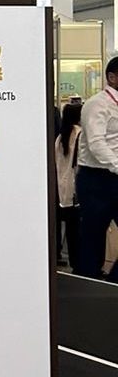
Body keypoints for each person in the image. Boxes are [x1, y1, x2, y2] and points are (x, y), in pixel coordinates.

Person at [76, 57, 118, 280]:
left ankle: (112, 282)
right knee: (93, 237)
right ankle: (88, 284)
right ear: (112, 77)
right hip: (96, 180)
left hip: (114, 177)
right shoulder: (97, 104)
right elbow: (96, 143)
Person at [54, 102, 82, 271]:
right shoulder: (80, 134)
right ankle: (80, 265)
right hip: (77, 190)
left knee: (71, 231)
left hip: (62, 191)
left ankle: (74, 263)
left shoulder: (60, 138)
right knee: (80, 231)